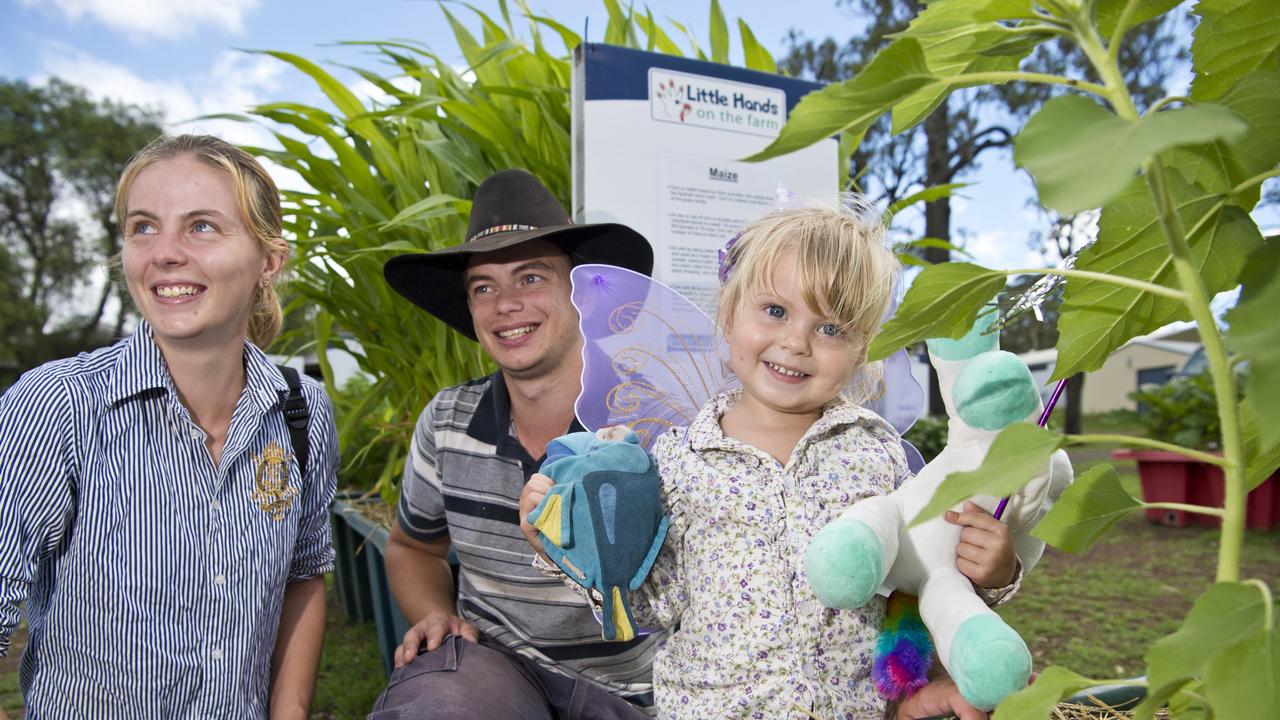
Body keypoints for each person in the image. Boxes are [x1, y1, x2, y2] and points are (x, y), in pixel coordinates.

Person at [522, 198, 1020, 720]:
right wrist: (570, 545)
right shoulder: (677, 461)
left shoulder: (877, 453)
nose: (795, 342)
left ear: (865, 349)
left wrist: (992, 573)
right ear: (729, 312)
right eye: (776, 311)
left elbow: (917, 584)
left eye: (831, 328)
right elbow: (653, 601)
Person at [0, 134, 338, 719]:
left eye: (202, 226)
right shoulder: (59, 406)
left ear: (268, 261)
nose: (164, 253)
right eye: (143, 227)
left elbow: (303, 576)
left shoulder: (301, 409)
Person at [373, 169, 666, 719]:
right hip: (494, 674)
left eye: (531, 277)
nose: (505, 303)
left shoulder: (656, 425)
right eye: (483, 286)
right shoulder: (447, 420)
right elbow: (413, 547)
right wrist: (434, 611)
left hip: (632, 693)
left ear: (580, 293)